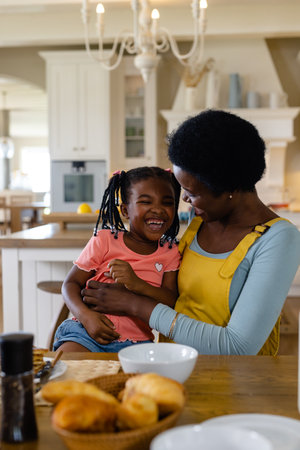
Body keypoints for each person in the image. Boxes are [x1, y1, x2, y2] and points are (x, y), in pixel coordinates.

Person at [79, 110, 300, 356]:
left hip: (236, 385)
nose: (184, 198)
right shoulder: (200, 220)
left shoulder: (279, 239)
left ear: (229, 188)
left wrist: (135, 304)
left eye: (191, 193)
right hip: (172, 366)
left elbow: (239, 347)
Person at [53, 166, 181, 352]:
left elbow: (171, 300)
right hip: (86, 334)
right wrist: (86, 316)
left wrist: (136, 284)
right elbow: (70, 283)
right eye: (145, 202)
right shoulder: (104, 240)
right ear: (125, 211)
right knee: (68, 367)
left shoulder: (170, 252)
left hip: (137, 343)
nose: (158, 210)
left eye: (167, 203)